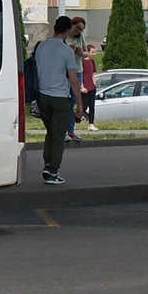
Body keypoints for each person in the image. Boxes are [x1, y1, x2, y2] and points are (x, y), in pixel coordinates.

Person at [35, 15, 86, 184]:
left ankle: (47, 164)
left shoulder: (40, 47)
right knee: (58, 135)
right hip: (59, 98)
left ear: (54, 28)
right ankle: (52, 170)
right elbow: (73, 79)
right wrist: (79, 103)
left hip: (42, 96)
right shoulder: (66, 51)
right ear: (68, 31)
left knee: (50, 132)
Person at [64, 16, 87, 142]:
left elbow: (86, 53)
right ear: (72, 26)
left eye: (81, 30)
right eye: (78, 28)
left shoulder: (80, 38)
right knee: (65, 101)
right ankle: (64, 131)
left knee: (74, 101)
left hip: (77, 70)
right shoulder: (65, 37)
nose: (79, 31)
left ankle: (71, 131)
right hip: (66, 72)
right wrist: (69, 49)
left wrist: (80, 53)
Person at [81, 45, 98, 131]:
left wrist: (94, 84)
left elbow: (92, 74)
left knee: (92, 106)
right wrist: (82, 87)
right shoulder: (82, 62)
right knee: (84, 106)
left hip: (92, 87)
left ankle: (91, 124)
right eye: (92, 52)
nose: (94, 54)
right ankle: (75, 117)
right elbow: (80, 75)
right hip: (84, 88)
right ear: (87, 52)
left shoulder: (92, 62)